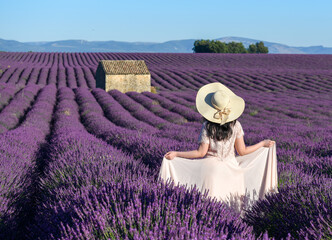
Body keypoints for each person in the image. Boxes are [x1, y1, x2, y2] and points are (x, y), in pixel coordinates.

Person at [158, 82, 278, 213]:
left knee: (210, 211)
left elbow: (200, 153)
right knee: (234, 209)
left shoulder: (207, 126)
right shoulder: (236, 125)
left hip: (211, 171)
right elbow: (242, 151)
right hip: (232, 171)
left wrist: (176, 154)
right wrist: (262, 144)